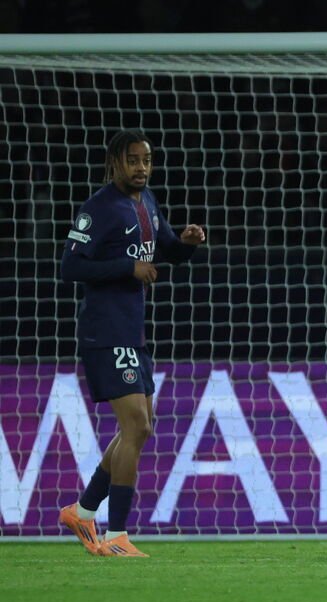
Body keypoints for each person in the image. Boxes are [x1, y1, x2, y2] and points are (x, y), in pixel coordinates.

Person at [58, 130, 207, 557]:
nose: (141, 168)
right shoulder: (99, 208)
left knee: (141, 427)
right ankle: (116, 536)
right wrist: (129, 267)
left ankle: (83, 512)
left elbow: (165, 252)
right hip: (105, 332)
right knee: (137, 426)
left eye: (146, 160)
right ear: (115, 163)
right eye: (133, 160)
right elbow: (70, 266)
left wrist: (187, 246)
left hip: (132, 332)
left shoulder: (147, 203)